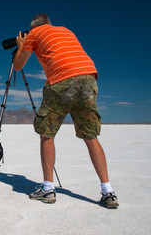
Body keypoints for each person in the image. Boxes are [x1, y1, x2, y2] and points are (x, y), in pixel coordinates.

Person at [14, 13, 119, 207]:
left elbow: (18, 66)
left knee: (47, 134)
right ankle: (108, 191)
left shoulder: (34, 34)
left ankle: (47, 189)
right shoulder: (66, 30)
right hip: (89, 79)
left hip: (61, 81)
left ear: (33, 26)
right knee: (91, 137)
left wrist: (22, 45)